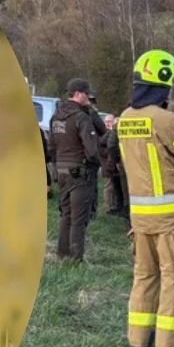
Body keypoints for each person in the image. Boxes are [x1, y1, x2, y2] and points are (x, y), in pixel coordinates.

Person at [118, 49, 174, 347]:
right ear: (162, 84)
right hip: (170, 219)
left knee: (144, 277)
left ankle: (138, 341)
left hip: (140, 218)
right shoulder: (165, 120)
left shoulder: (125, 118)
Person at [48, 78, 101, 262]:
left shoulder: (56, 117)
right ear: (78, 94)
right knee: (78, 218)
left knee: (66, 214)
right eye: (86, 94)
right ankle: (76, 258)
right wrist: (96, 163)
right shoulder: (81, 117)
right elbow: (92, 150)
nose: (88, 97)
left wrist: (56, 167)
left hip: (61, 170)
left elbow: (51, 146)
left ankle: (62, 254)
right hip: (80, 171)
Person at [101, 114, 128, 217]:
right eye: (106, 122)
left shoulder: (112, 132)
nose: (108, 124)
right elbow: (107, 145)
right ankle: (111, 208)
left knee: (118, 187)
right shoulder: (107, 133)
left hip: (113, 163)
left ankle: (118, 207)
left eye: (110, 121)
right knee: (111, 187)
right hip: (111, 163)